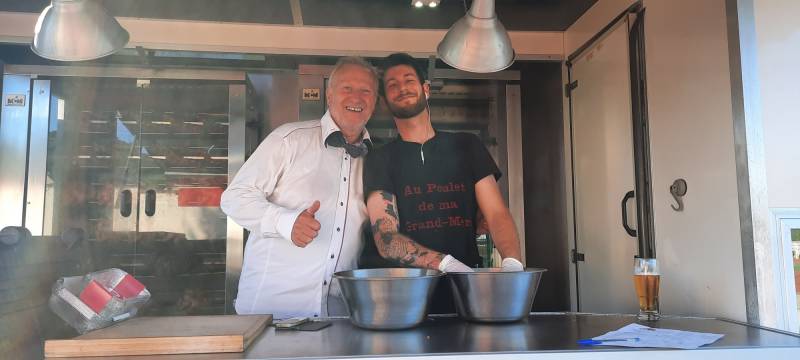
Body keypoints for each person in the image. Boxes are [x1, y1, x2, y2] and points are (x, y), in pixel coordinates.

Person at [362, 53, 524, 313]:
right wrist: (445, 263)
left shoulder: (467, 145)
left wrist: (513, 263)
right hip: (406, 297)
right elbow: (387, 238)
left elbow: (496, 213)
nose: (401, 88)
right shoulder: (379, 159)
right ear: (385, 101)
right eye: (392, 85)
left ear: (426, 90)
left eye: (408, 80)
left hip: (466, 293)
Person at [220, 57, 378, 319]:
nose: (357, 97)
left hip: (338, 315)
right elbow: (234, 198)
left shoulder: (375, 159)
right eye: (347, 88)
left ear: (374, 101)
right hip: (273, 312)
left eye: (366, 90)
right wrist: (286, 222)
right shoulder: (289, 139)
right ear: (329, 95)